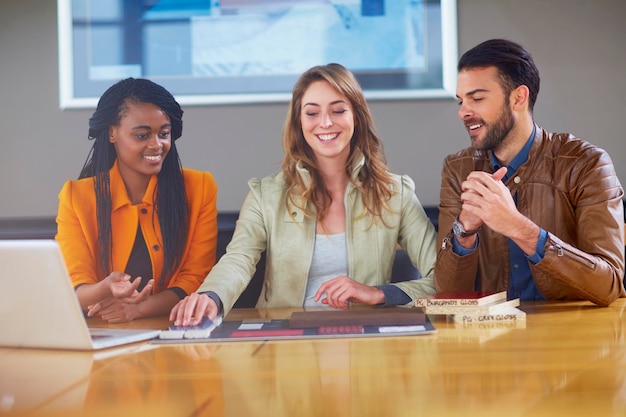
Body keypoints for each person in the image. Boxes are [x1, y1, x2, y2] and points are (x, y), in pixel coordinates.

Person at [171, 63, 437, 326]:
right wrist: (211, 297)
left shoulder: (396, 193)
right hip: (285, 342)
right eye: (312, 113)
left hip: (366, 342)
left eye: (338, 110)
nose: (325, 122)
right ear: (299, 122)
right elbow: (238, 259)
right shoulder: (266, 195)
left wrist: (379, 293)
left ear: (356, 116)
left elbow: (442, 279)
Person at [436, 38, 625, 306]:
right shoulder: (458, 170)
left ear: (518, 97)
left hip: (573, 335)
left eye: (476, 98)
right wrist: (464, 232)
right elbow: (447, 295)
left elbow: (609, 284)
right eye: (461, 102)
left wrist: (519, 228)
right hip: (493, 338)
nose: (463, 112)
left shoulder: (586, 163)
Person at [56, 78, 219, 323]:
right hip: (101, 334)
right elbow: (75, 286)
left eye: (164, 133)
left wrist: (139, 309)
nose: (157, 145)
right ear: (112, 133)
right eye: (142, 135)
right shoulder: (75, 196)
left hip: (173, 330)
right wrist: (106, 287)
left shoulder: (200, 188)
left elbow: (195, 278)